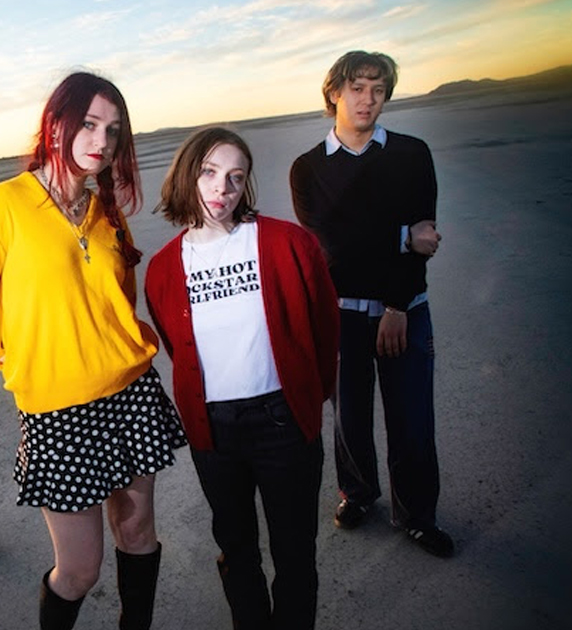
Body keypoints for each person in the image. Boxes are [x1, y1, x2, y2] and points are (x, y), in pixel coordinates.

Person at [0, 72, 186, 630]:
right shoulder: (2, 205)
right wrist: (21, 361)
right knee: (80, 569)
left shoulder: (105, 210)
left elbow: (118, 301)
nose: (101, 141)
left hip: (129, 395)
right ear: (55, 123)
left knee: (137, 532)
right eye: (87, 124)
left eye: (112, 129)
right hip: (59, 412)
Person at [144, 127, 339, 629]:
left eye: (235, 178)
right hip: (215, 431)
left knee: (295, 551)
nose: (221, 189)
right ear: (188, 176)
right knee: (236, 549)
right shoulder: (165, 269)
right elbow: (177, 346)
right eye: (209, 173)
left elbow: (323, 326)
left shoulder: (286, 242)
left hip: (284, 421)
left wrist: (311, 400)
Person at [289, 51, 453, 557]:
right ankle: (357, 494)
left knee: (412, 419)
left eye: (379, 89)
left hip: (405, 308)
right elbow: (332, 245)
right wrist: (403, 235)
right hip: (341, 314)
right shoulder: (308, 170)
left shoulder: (412, 153)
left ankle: (417, 516)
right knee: (350, 419)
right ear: (334, 92)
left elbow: (426, 235)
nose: (368, 99)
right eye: (357, 87)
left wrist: (398, 305)